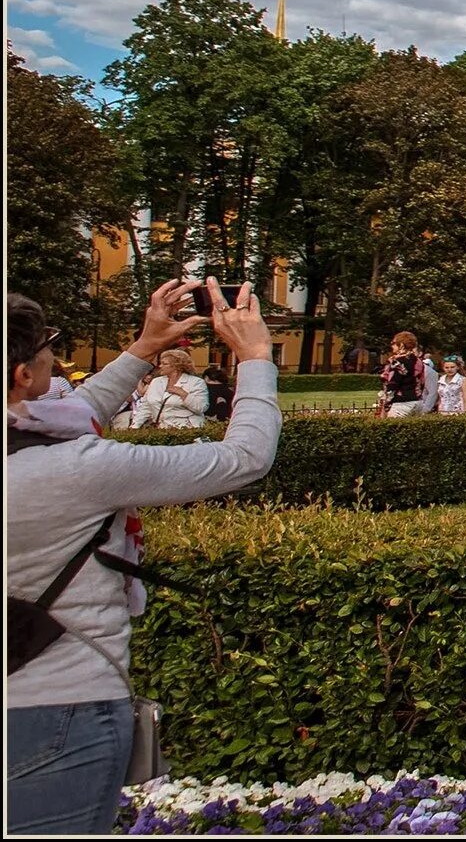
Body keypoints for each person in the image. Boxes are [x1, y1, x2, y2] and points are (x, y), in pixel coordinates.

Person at [8, 281, 281, 832]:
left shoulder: (33, 441)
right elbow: (244, 457)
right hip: (56, 707)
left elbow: (71, 413)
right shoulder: (76, 469)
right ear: (23, 375)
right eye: (47, 349)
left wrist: (142, 349)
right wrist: (255, 358)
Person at [124, 350, 210, 432]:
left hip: (188, 430)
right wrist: (135, 426)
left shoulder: (196, 382)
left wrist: (183, 393)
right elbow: (146, 406)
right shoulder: (156, 381)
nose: (160, 366)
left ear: (177, 366)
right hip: (162, 430)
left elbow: (201, 407)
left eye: (164, 364)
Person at [377, 332, 428, 418]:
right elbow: (422, 382)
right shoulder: (418, 361)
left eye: (393, 343)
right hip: (417, 402)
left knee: (394, 430)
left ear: (401, 345)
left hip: (401, 404)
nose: (391, 346)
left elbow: (393, 383)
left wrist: (387, 403)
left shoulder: (397, 362)